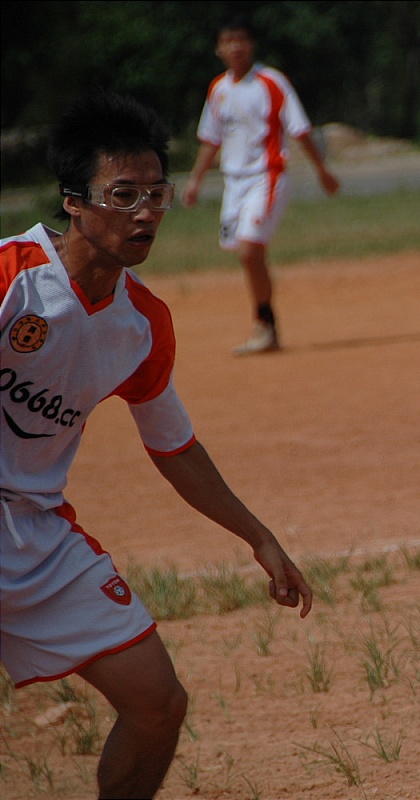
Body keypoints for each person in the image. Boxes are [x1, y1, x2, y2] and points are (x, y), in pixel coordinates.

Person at [0, 91, 313, 799]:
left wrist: (259, 537)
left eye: (156, 194)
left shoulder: (140, 322)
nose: (145, 212)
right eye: (124, 195)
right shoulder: (13, 276)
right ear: (74, 202)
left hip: (36, 535)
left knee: (158, 705)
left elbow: (174, 446)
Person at [182, 17, 340, 355]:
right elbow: (211, 139)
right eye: (228, 41)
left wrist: (322, 170)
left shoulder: (271, 82)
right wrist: (195, 179)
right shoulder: (218, 89)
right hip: (233, 183)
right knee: (248, 255)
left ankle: (264, 325)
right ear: (219, 49)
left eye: (241, 39)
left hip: (267, 176)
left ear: (251, 45)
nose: (235, 46)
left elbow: (300, 129)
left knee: (249, 250)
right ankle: (267, 326)